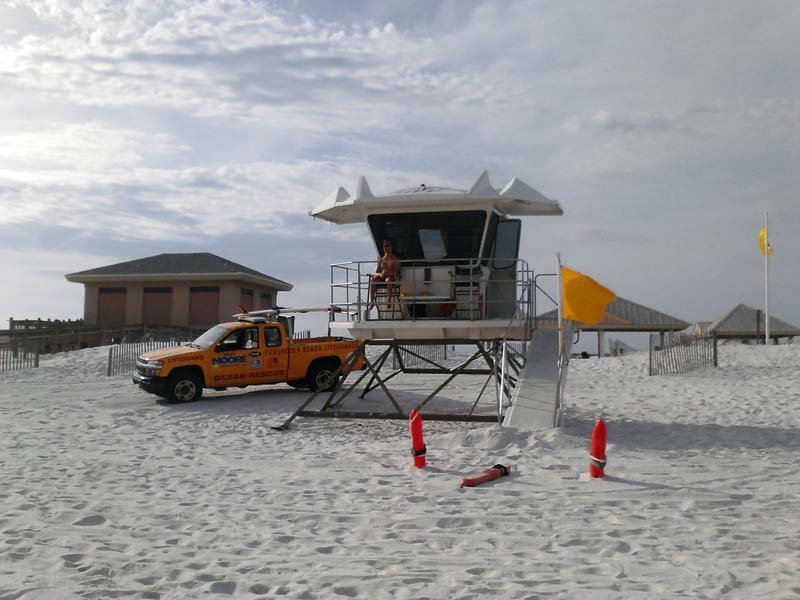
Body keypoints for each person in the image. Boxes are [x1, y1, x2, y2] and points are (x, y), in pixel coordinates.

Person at [369, 239, 400, 307]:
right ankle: (372, 302)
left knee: (388, 280)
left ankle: (388, 301)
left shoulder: (395, 259)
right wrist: (380, 273)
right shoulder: (381, 259)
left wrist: (395, 276)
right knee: (373, 280)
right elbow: (377, 271)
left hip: (390, 277)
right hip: (382, 276)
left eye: (387, 246)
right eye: (384, 246)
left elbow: (397, 271)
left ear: (391, 247)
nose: (385, 248)